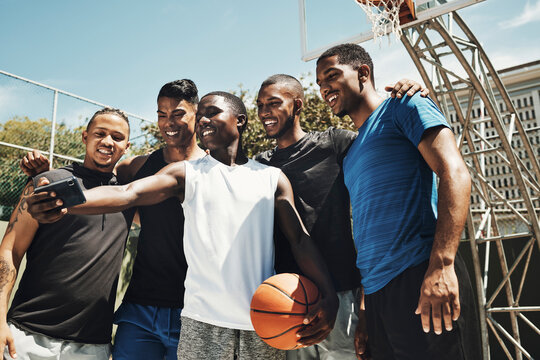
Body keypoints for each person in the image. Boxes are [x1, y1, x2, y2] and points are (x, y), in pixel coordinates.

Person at [26, 91, 340, 360]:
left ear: (240, 120)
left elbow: (300, 240)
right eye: (199, 115)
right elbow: (126, 193)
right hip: (199, 323)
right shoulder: (187, 173)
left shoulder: (272, 178)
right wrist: (65, 198)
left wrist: (328, 294)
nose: (202, 120)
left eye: (212, 112)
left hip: (263, 321)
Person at [315, 43, 482, 360]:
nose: (324, 88)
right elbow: (367, 234)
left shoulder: (404, 106)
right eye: (320, 83)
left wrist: (442, 266)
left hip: (420, 277)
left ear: (363, 72)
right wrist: (366, 310)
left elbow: (454, 171)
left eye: (332, 76)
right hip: (378, 299)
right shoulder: (351, 154)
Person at [19, 79, 206, 360]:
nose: (169, 122)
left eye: (178, 114)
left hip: (196, 309)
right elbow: (98, 180)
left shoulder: (217, 170)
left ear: (196, 116)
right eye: (161, 114)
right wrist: (48, 182)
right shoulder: (135, 168)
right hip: (140, 308)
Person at [254, 74, 428, 360]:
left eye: (273, 103)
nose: (264, 112)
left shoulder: (334, 143)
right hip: (286, 300)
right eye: (260, 105)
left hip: (344, 293)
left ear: (297, 105)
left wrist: (412, 94)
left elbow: (383, 140)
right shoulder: (260, 166)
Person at [0, 108, 131, 360]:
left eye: (117, 137)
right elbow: (10, 251)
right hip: (27, 338)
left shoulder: (129, 196)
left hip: (92, 347)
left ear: (126, 147)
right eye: (99, 133)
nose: (107, 141)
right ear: (84, 137)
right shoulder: (47, 183)